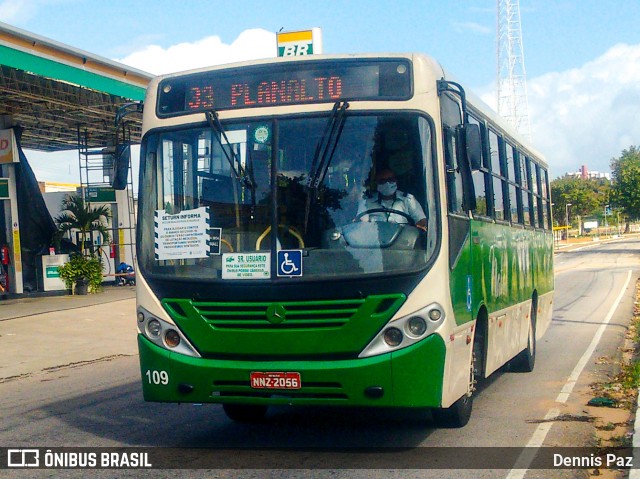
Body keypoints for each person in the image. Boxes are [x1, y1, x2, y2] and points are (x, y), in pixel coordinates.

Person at [357, 168, 427, 230]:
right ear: (376, 183)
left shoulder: (408, 199)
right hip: (374, 241)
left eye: (391, 180)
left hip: (403, 242)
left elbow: (421, 222)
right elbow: (361, 226)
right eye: (382, 181)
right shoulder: (366, 202)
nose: (387, 183)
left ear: (396, 180)